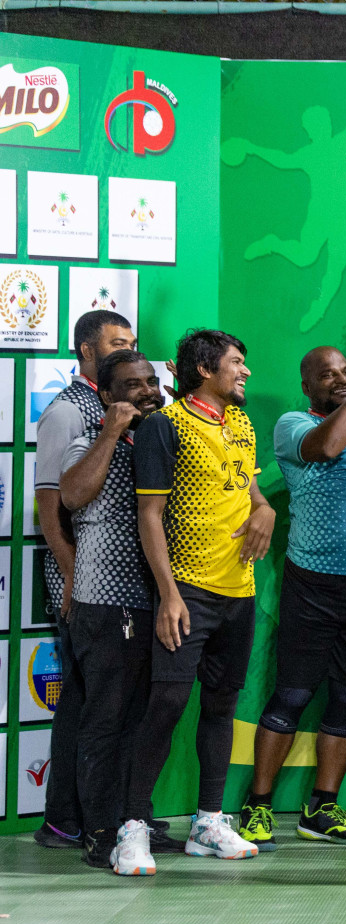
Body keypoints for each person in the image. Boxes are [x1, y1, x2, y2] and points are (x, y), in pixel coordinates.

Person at [112, 328, 276, 876]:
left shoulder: (242, 424)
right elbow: (149, 516)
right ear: (204, 370)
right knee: (167, 705)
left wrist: (265, 511)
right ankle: (131, 827)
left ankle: (209, 822)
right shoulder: (166, 426)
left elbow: (249, 491)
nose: (245, 371)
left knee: (222, 707)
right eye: (236, 362)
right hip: (188, 593)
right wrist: (168, 596)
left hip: (240, 593)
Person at [236, 342, 346, 850]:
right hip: (316, 581)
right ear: (306, 385)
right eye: (327, 375)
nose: (341, 380)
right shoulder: (293, 424)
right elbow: (328, 448)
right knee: (294, 695)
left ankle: (322, 804)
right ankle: (258, 804)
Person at [33, 309, 139, 851]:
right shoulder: (66, 411)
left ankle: (75, 818)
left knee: (89, 698)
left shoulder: (118, 409)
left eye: (132, 342)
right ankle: (67, 819)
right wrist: (72, 573)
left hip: (110, 580)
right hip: (81, 578)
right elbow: (49, 503)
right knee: (86, 701)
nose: (125, 349)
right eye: (116, 343)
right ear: (84, 351)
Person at [58, 350, 164, 868]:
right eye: (132, 385)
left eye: (151, 381)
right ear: (106, 395)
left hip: (158, 602)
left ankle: (132, 823)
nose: (147, 391)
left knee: (141, 720)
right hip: (105, 603)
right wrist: (109, 433)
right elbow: (72, 496)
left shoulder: (161, 438)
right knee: (104, 719)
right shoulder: (88, 440)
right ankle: (98, 829)